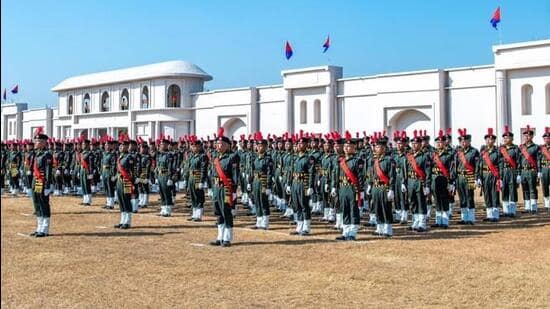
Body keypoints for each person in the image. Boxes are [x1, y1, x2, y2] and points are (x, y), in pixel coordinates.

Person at [209, 127, 239, 247]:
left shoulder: (232, 157)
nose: (218, 146)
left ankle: (227, 237)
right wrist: (211, 188)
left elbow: (235, 175)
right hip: (217, 188)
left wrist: (235, 191)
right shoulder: (216, 157)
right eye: (217, 143)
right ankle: (220, 236)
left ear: (227, 145)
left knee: (226, 212)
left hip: (226, 189)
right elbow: (212, 173)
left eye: (221, 144)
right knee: (218, 212)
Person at [331, 131, 364, 240]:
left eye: (349, 146)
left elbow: (360, 177)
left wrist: (361, 190)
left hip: (352, 189)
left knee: (353, 210)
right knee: (344, 209)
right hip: (342, 188)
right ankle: (345, 232)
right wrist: (334, 187)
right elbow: (336, 175)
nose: (346, 148)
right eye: (345, 146)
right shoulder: (341, 160)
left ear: (354, 148)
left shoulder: (357, 161)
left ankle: (352, 232)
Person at [366, 132, 395, 237]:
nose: (376, 149)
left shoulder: (388, 160)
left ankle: (388, 229)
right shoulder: (374, 160)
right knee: (377, 208)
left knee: (385, 208)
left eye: (379, 147)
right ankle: (379, 228)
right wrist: (370, 184)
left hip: (384, 187)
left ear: (384, 148)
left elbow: (392, 176)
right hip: (375, 188)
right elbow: (372, 174)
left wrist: (391, 189)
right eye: (376, 147)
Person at [287, 132, 316, 236]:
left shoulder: (309, 158)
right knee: (296, 205)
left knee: (304, 205)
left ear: (306, 145)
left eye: (302, 144)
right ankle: (299, 226)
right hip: (295, 183)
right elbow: (291, 172)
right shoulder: (294, 157)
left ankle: (306, 227)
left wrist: (310, 186)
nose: (300, 145)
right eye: (298, 144)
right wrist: (289, 184)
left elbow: (312, 173)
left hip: (303, 184)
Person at [404, 131, 432, 232]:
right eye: (413, 143)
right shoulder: (409, 156)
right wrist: (404, 182)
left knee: (421, 202)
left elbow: (428, 172)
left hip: (420, 182)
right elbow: (405, 170)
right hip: (411, 182)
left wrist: (427, 185)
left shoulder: (425, 156)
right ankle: (415, 222)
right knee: (413, 202)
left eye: (416, 143)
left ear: (420, 144)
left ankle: (422, 223)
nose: (414, 145)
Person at [30, 128, 53, 237]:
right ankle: (39, 227)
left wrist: (48, 185)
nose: (35, 142)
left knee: (43, 203)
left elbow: (48, 171)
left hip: (42, 181)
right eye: (36, 140)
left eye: (38, 141)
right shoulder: (37, 153)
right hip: (36, 181)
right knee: (37, 203)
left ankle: (45, 229)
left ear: (44, 143)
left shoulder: (47, 155)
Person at [248, 132, 274, 230]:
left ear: (266, 147)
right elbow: (252, 170)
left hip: (263, 182)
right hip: (255, 181)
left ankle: (265, 222)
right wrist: (250, 182)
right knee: (257, 201)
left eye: (261, 146)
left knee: (263, 202)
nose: (259, 148)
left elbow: (269, 173)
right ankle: (258, 221)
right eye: (258, 146)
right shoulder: (255, 158)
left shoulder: (267, 159)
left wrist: (268, 186)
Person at [431, 130, 455, 228]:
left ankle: (445, 221)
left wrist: (451, 182)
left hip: (445, 179)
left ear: (445, 142)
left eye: (441, 142)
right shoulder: (432, 154)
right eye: (437, 142)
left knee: (444, 200)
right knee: (437, 200)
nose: (439, 144)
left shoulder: (449, 154)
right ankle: (438, 220)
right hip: (435, 179)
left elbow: (452, 169)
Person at [456, 129, 480, 225]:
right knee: (462, 198)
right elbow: (455, 166)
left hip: (469, 176)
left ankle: (471, 218)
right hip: (459, 177)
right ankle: (464, 218)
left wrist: (477, 177)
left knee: (469, 197)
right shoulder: (458, 152)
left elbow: (477, 165)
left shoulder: (474, 151)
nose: (462, 142)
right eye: (461, 140)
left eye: (465, 140)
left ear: (469, 141)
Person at [478, 128, 502, 222]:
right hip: (484, 175)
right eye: (487, 139)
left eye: (491, 139)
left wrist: (500, 178)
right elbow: (479, 165)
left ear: (494, 141)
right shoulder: (483, 152)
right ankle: (489, 215)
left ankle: (495, 215)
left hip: (494, 176)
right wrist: (478, 177)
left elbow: (500, 165)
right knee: (487, 194)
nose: (489, 141)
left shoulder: (498, 152)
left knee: (494, 194)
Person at [184, 136, 209, 221]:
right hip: (191, 178)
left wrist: (202, 181)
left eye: (194, 146)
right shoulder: (192, 156)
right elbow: (188, 168)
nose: (192, 148)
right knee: (193, 196)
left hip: (198, 178)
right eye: (192, 146)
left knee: (199, 197)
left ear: (199, 146)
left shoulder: (203, 156)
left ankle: (199, 215)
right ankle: (194, 214)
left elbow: (203, 169)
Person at [114, 135, 135, 229]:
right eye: (120, 146)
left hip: (126, 181)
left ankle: (128, 221)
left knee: (126, 200)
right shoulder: (120, 157)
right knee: (121, 200)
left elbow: (132, 171)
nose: (120, 147)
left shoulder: (129, 157)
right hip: (119, 180)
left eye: (123, 146)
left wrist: (132, 183)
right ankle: (122, 220)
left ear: (127, 147)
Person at [499, 125, 520, 217]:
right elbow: (498, 162)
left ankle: (512, 211)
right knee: (504, 190)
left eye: (508, 137)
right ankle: (506, 211)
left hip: (512, 171)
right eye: (504, 137)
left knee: (512, 190)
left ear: (512, 138)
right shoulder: (500, 149)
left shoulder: (515, 148)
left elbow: (518, 162)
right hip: (503, 171)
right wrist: (499, 175)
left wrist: (518, 174)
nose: (505, 139)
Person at [519, 125, 541, 214]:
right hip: (523, 171)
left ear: (532, 136)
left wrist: (539, 171)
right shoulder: (521, 147)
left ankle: (534, 208)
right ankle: (527, 208)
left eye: (529, 135)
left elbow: (538, 159)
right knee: (525, 189)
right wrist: (519, 173)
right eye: (525, 135)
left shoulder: (536, 147)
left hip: (532, 171)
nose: (527, 137)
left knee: (532, 189)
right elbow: (518, 160)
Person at [156, 137, 175, 217]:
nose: (161, 145)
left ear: (167, 145)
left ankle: (168, 210)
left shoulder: (169, 155)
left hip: (166, 175)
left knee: (167, 193)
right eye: (160, 144)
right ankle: (163, 208)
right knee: (161, 193)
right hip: (160, 175)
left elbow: (171, 167)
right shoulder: (160, 154)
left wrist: (170, 178)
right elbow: (157, 166)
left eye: (163, 144)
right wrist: (156, 176)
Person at [101, 137, 117, 209]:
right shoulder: (104, 154)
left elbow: (113, 165)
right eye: (105, 145)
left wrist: (113, 174)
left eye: (108, 145)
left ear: (111, 146)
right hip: (104, 172)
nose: (106, 146)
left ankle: (111, 204)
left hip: (109, 172)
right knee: (106, 188)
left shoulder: (112, 154)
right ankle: (108, 203)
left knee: (110, 188)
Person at [541, 127, 550, 211]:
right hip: (544, 169)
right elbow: (538, 159)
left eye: (548, 138)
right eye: (545, 138)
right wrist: (539, 171)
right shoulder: (541, 148)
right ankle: (547, 204)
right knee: (545, 186)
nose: (547, 139)